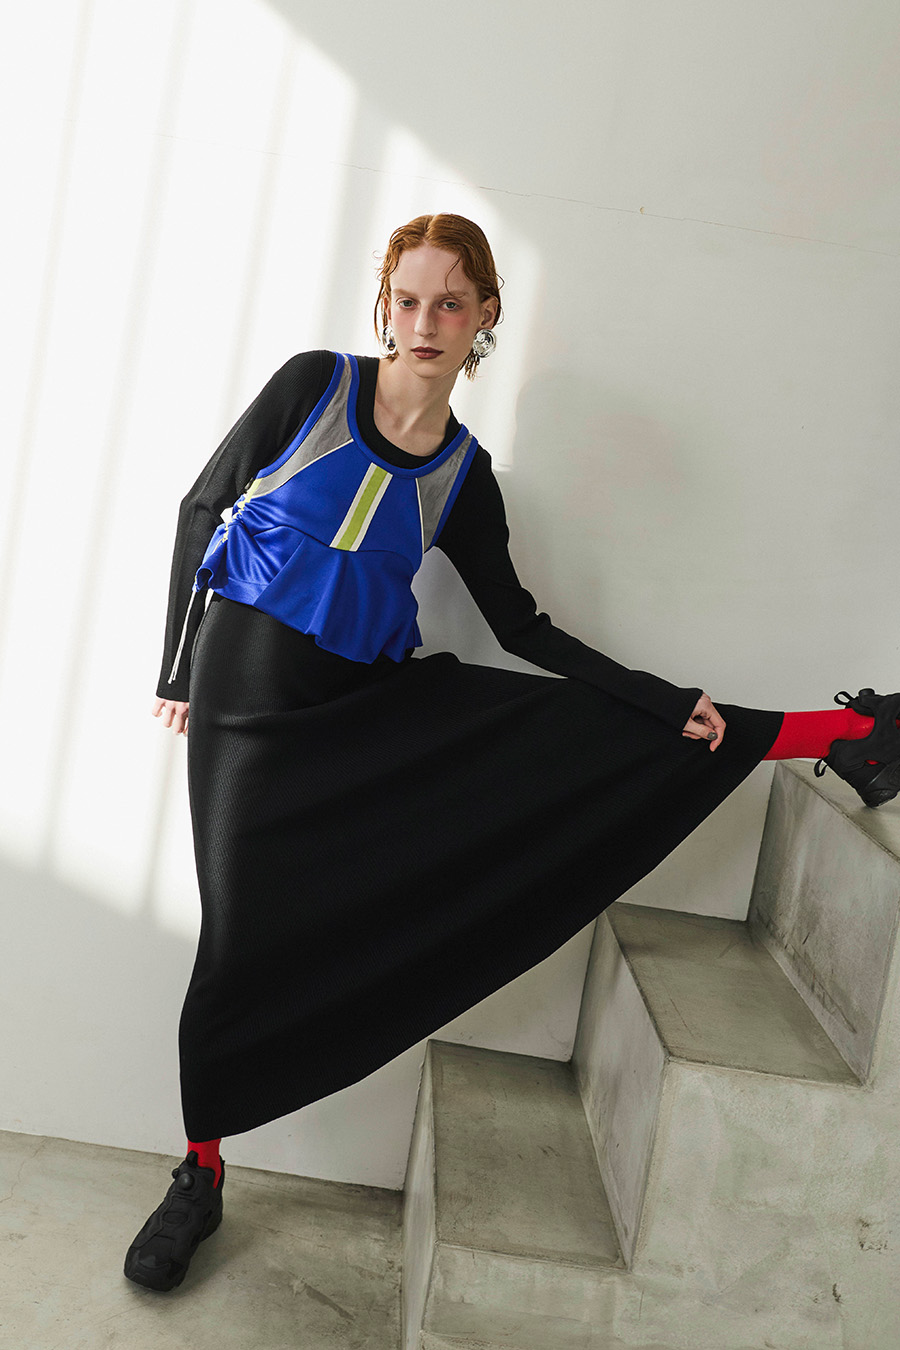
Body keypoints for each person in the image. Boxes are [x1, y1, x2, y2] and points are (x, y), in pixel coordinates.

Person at [124, 213, 900, 1292]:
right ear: (384, 304)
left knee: (583, 735)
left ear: (485, 314)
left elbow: (520, 627)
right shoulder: (315, 385)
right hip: (245, 704)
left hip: (360, 708)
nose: (424, 323)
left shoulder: (463, 474)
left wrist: (656, 696)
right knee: (237, 942)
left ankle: (850, 734)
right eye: (407, 300)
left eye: (450, 303)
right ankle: (201, 1173)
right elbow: (203, 504)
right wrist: (175, 671)